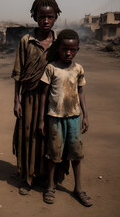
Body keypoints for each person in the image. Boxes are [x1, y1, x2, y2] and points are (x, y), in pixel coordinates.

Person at [11, 0, 61, 195]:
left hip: (53, 99)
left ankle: (47, 178)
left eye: (50, 17)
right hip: (29, 98)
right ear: (35, 17)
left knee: (50, 137)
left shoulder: (59, 43)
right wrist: (16, 100)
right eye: (42, 17)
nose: (46, 21)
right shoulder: (26, 41)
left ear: (56, 17)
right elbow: (17, 74)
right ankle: (28, 177)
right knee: (28, 136)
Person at [38, 29, 92, 207]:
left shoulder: (78, 69)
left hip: (74, 118)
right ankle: (51, 186)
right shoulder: (51, 68)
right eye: (64, 49)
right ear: (58, 49)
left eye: (72, 50)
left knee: (76, 155)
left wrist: (85, 115)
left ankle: (78, 188)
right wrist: (41, 120)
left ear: (77, 50)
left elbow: (81, 92)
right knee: (54, 154)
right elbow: (44, 96)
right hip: (55, 118)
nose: (68, 53)